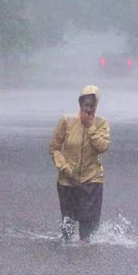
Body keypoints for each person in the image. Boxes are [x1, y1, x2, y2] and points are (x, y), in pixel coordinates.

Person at [48, 85, 111, 241]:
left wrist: (90, 126)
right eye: (85, 105)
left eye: (91, 105)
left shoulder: (101, 123)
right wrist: (64, 167)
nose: (88, 109)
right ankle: (67, 249)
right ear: (80, 104)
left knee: (88, 222)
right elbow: (54, 148)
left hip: (92, 178)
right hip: (67, 179)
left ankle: (85, 248)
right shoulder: (67, 121)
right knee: (68, 220)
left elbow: (102, 146)